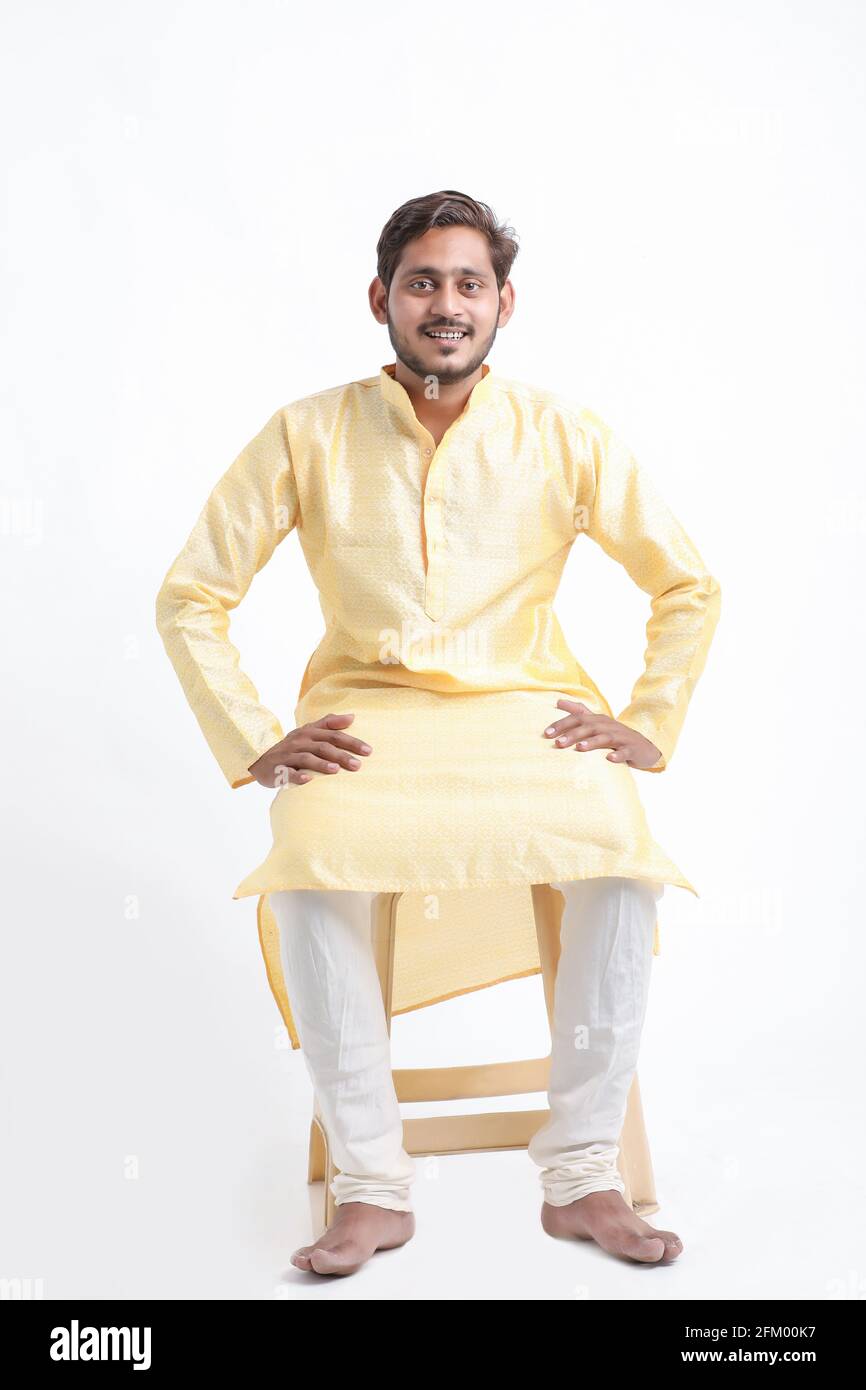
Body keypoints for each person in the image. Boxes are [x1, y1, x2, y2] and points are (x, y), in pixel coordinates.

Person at [155, 189, 721, 1278]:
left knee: (614, 843)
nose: (445, 305)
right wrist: (256, 736)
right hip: (367, 719)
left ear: (504, 302)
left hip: (527, 715)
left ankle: (580, 1172)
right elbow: (190, 594)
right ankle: (369, 1182)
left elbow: (687, 581)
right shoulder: (305, 431)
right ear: (382, 297)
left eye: (468, 284)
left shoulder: (562, 431)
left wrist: (647, 722)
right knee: (312, 842)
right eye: (423, 282)